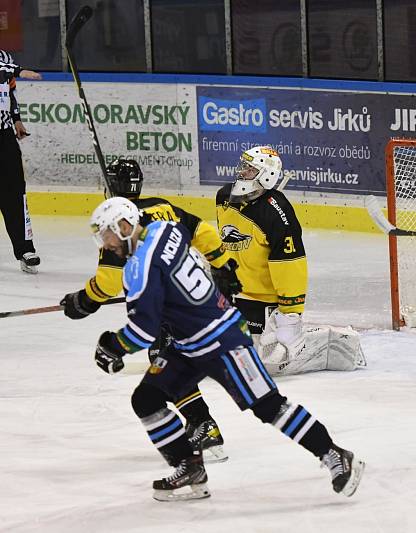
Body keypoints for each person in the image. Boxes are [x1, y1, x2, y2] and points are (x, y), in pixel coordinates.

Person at [88, 196, 365, 501]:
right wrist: (220, 263)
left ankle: (334, 454)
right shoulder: (165, 229)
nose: (106, 244)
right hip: (190, 344)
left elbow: (143, 331)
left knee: (269, 406)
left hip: (222, 340)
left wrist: (112, 345)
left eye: (108, 235)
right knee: (147, 399)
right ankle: (189, 467)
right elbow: (194, 229)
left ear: (125, 226)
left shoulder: (139, 269)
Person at [61, 159, 240, 462]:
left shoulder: (117, 229)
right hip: (185, 297)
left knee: (164, 364)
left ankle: (204, 425)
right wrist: (223, 265)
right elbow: (203, 231)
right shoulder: (162, 207)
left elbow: (108, 283)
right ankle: (202, 423)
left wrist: (84, 300)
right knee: (171, 361)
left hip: (156, 306)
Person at [215, 146, 366, 376]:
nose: (241, 172)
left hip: (265, 306)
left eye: (249, 168)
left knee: (265, 366)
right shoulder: (224, 197)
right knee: (215, 355)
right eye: (243, 166)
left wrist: (290, 314)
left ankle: (325, 343)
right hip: (235, 296)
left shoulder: (277, 212)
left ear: (266, 174)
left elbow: (290, 264)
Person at [0, 51, 42, 273]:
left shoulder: (5, 58)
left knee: (15, 193)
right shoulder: (6, 65)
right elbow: (6, 71)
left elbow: (10, 90)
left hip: (4, 135)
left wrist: (16, 118)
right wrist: (17, 70)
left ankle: (25, 249)